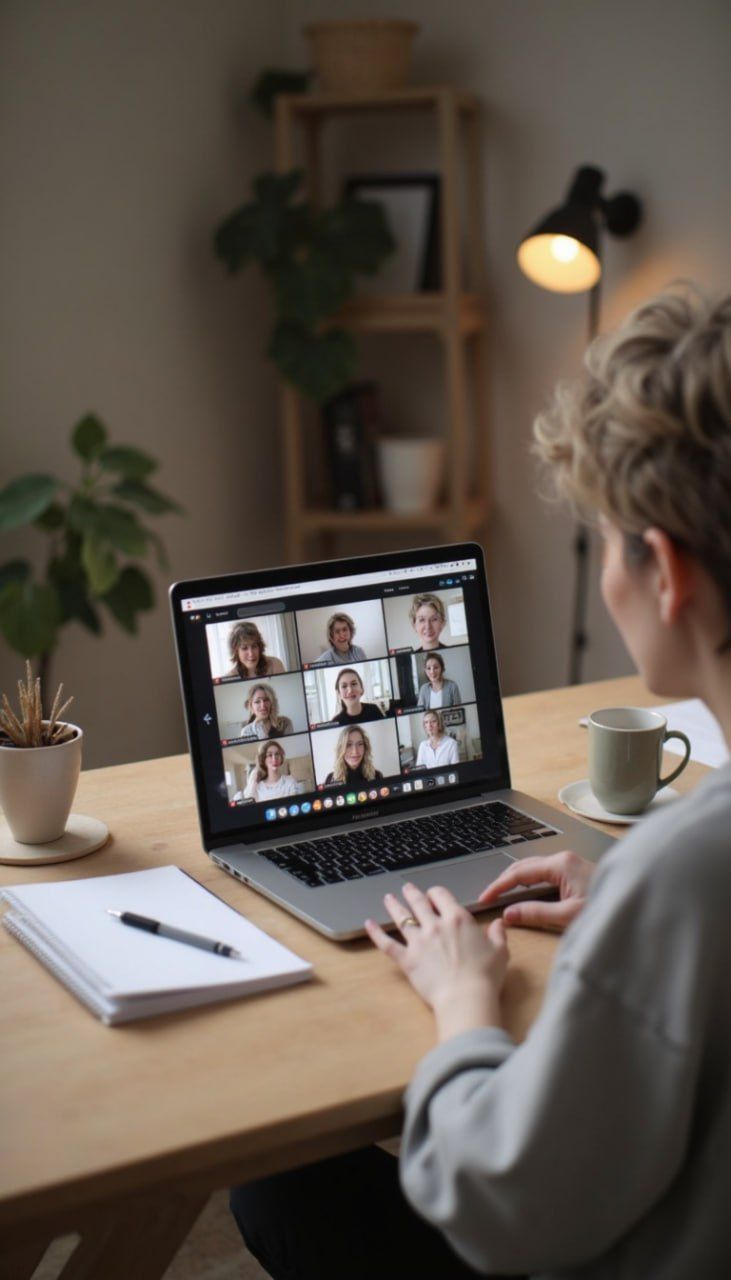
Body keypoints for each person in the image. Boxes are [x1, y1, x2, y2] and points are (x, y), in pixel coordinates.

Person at [230, 287, 731, 1278]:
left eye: (595, 541)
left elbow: (497, 1206)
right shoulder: (677, 878)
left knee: (275, 1183)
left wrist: (463, 1000)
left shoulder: (681, 873)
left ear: (663, 570)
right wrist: (630, 909)